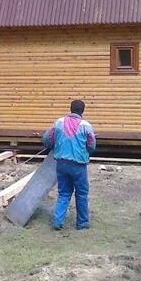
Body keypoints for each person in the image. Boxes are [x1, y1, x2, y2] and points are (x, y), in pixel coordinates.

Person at [42, 99, 97, 230]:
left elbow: (46, 138)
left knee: (64, 193)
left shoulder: (59, 122)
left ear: (70, 109)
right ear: (82, 111)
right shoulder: (86, 126)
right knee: (81, 194)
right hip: (78, 165)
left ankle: (57, 221)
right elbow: (92, 145)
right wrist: (86, 152)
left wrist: (53, 146)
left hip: (61, 164)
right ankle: (82, 223)